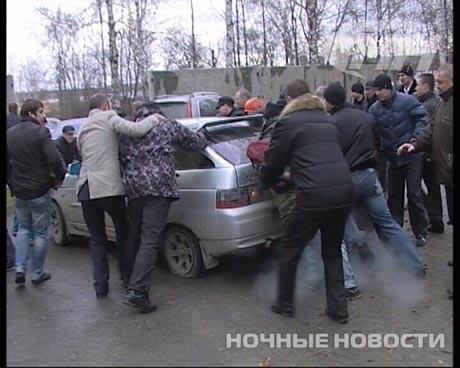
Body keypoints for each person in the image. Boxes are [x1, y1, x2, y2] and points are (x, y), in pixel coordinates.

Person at [260, 79, 353, 323]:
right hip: (343, 189)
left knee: (290, 249)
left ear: (289, 100)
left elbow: (274, 161)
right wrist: (296, 175)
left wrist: (266, 182)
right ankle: (338, 309)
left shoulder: (287, 122)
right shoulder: (328, 121)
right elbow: (322, 158)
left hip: (314, 194)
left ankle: (285, 304)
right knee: (332, 252)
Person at [323, 82, 425, 277]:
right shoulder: (366, 117)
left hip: (345, 181)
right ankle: (414, 265)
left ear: (329, 102)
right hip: (370, 177)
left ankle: (362, 253)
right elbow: (379, 144)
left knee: (341, 224)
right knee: (388, 223)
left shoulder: (330, 124)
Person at [119, 102, 206, 312]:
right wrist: (203, 136)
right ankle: (138, 291)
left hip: (134, 189)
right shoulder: (167, 126)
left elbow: (121, 159)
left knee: (136, 236)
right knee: (150, 238)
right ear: (158, 113)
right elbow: (195, 143)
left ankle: (128, 280)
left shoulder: (126, 131)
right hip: (158, 188)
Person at [76, 93, 163, 299]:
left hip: (85, 188)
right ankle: (127, 278)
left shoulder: (83, 127)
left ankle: (100, 286)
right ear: (105, 105)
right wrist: (154, 118)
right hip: (108, 188)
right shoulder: (109, 117)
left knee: (97, 239)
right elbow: (135, 130)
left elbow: (81, 154)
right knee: (123, 231)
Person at [397, 63, 453, 297]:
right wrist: (415, 144)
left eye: (441, 82)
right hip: (448, 176)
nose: (436, 86)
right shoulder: (443, 103)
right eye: (437, 82)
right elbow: (430, 130)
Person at [7, 99, 67, 286]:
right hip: (39, 189)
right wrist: (59, 177)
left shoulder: (10, 134)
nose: (44, 116)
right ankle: (37, 272)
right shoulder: (41, 132)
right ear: (32, 114)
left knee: (23, 229)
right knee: (40, 233)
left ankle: (20, 268)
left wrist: (12, 183)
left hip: (19, 189)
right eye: (41, 112)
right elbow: (54, 158)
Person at [369, 74, 430, 247]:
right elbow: (372, 131)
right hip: (392, 157)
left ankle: (420, 231)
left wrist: (413, 141)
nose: (378, 93)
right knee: (394, 196)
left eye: (381, 90)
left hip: (412, 156)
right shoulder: (374, 110)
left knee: (414, 193)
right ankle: (395, 232)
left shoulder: (407, 101)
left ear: (389, 88)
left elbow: (423, 119)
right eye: (376, 90)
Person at [415, 73, 444, 234]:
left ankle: (432, 217)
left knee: (416, 188)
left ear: (425, 87)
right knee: (434, 188)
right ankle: (437, 219)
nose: (416, 89)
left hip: (425, 154)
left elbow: (426, 132)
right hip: (435, 155)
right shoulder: (439, 103)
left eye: (418, 85)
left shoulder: (425, 107)